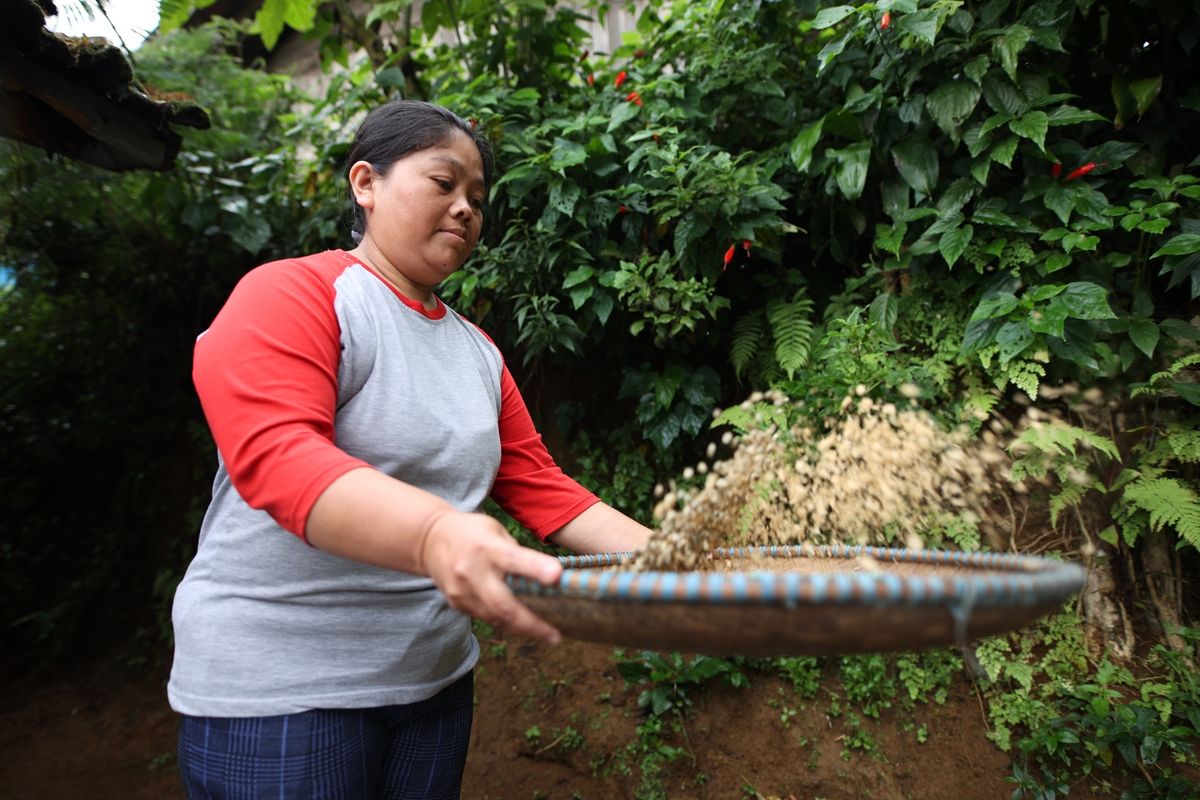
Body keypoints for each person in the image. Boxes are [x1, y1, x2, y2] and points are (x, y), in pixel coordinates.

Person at [168, 99, 653, 799]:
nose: (465, 209)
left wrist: (680, 565)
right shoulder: (294, 293)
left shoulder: (476, 352)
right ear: (366, 183)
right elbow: (279, 455)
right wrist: (435, 534)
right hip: (282, 698)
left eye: (478, 199)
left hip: (432, 685)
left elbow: (544, 486)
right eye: (443, 182)